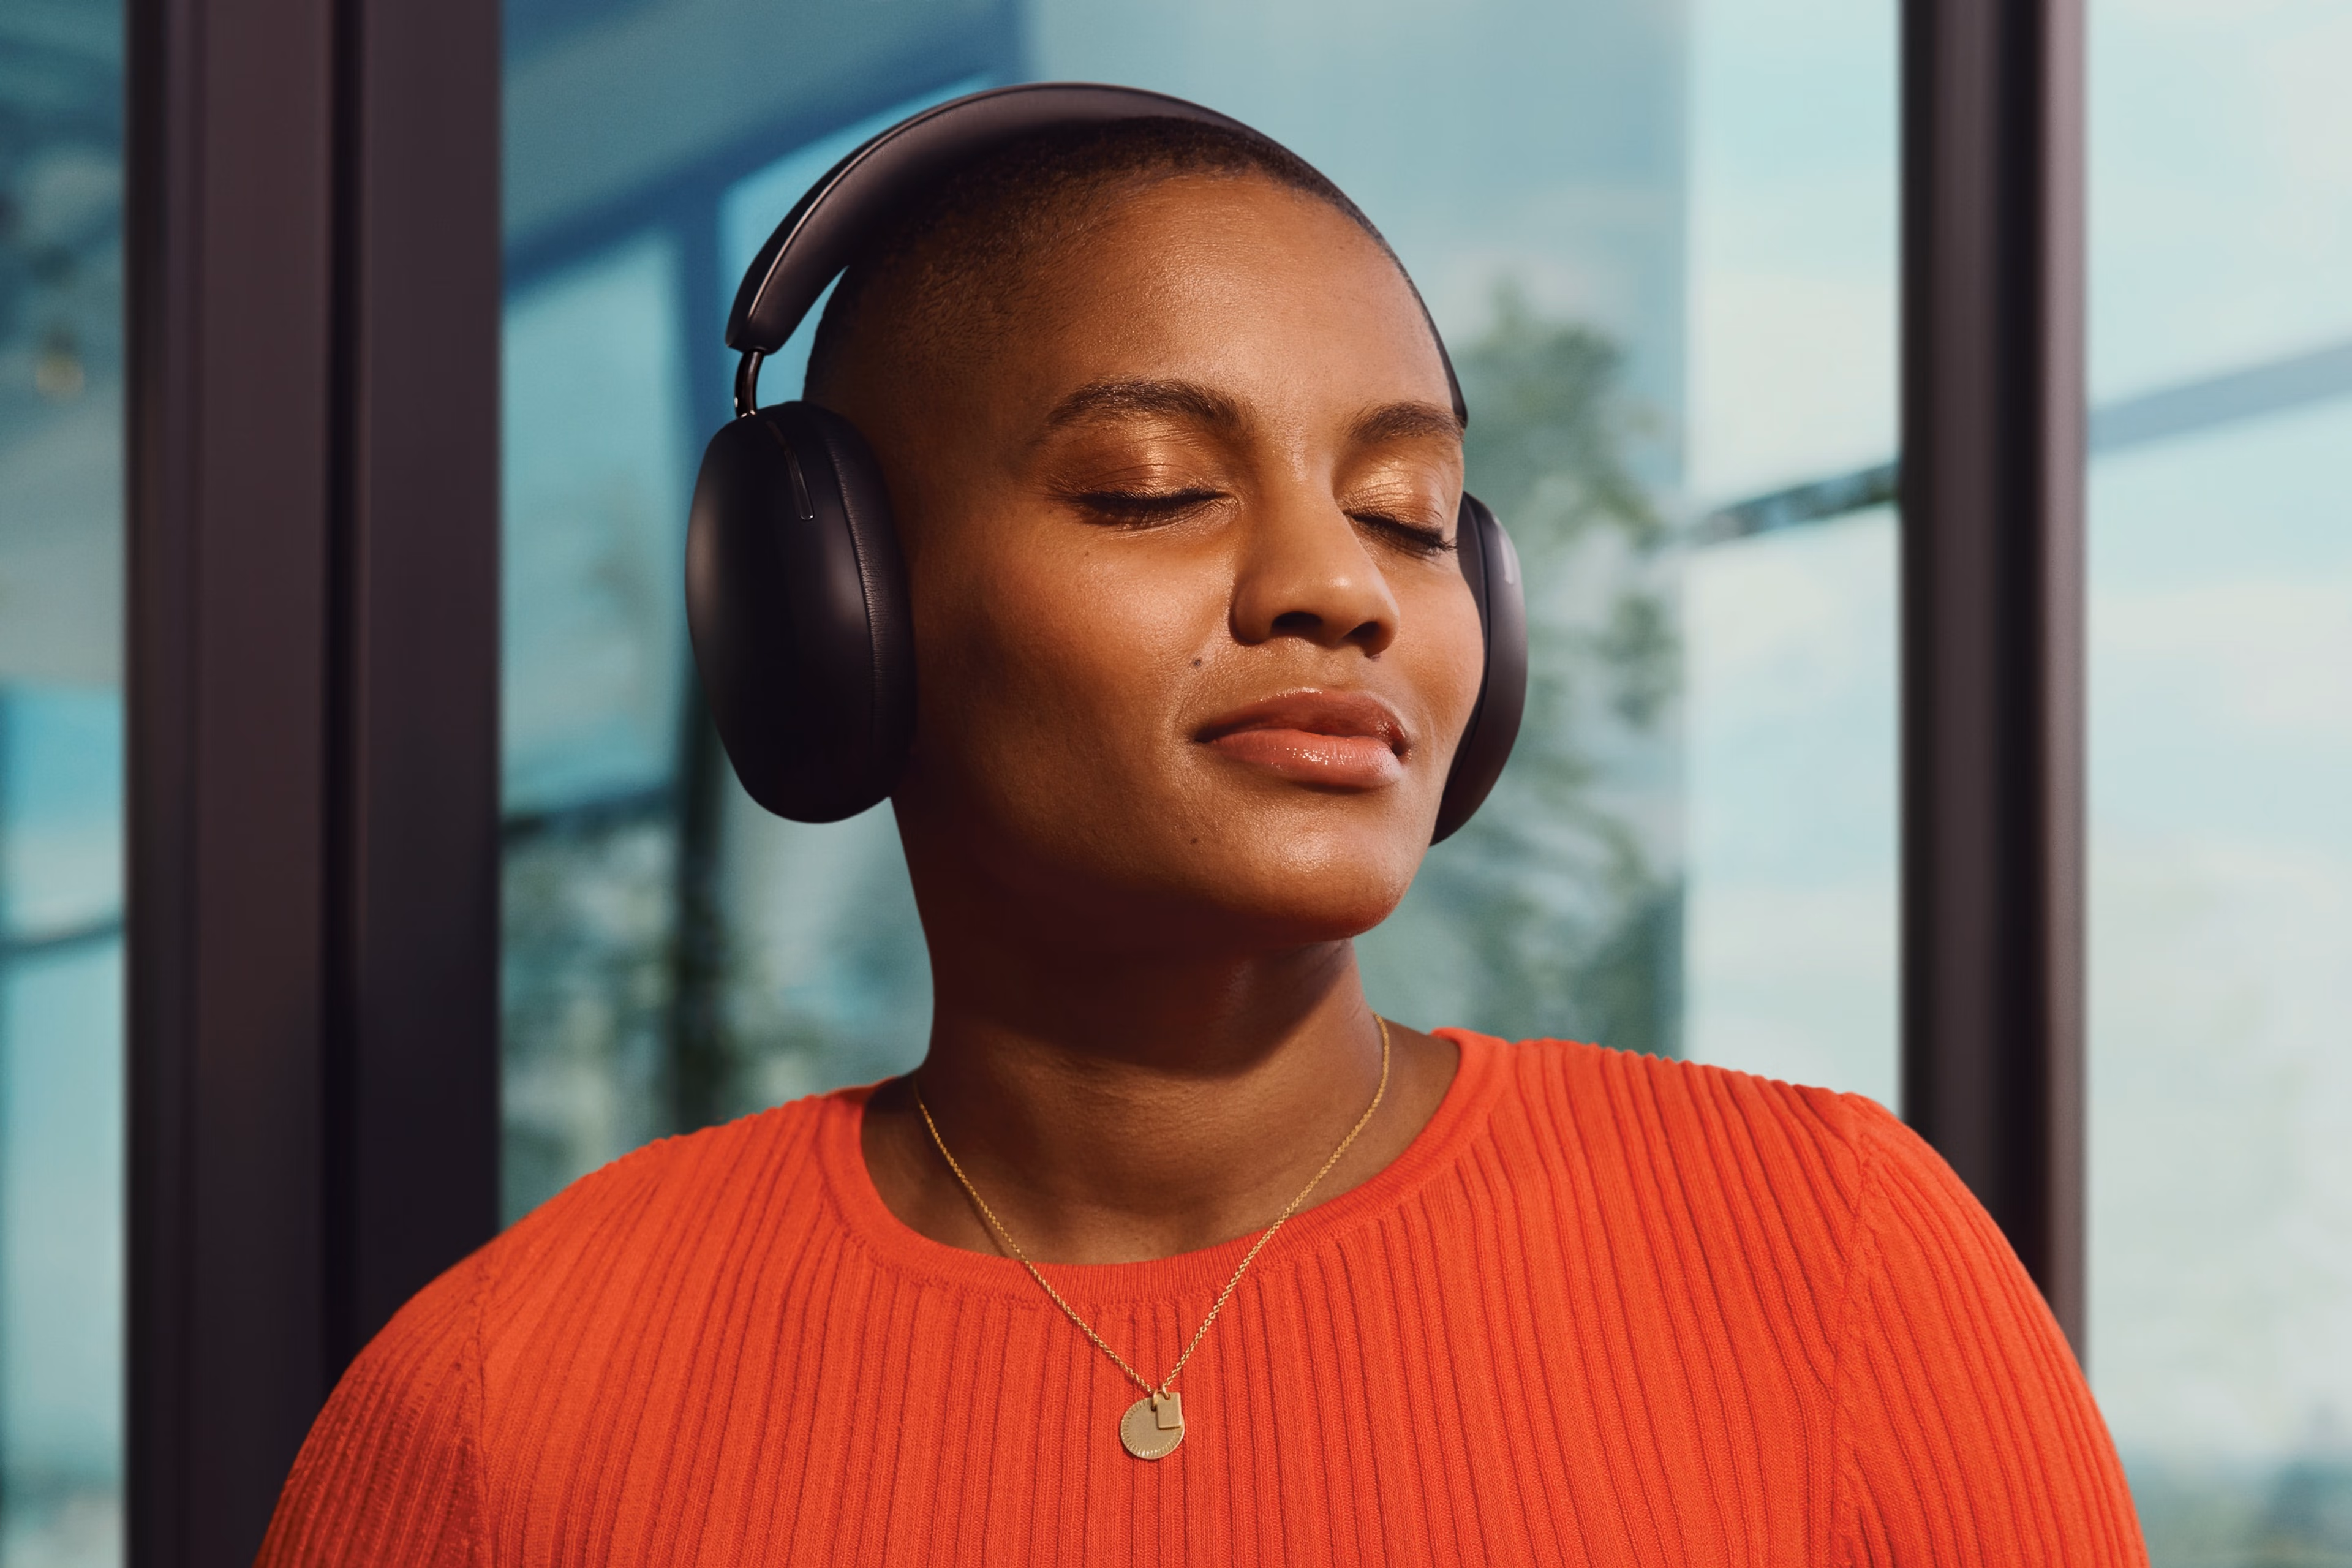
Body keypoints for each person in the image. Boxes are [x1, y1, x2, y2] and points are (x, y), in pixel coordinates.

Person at [257, 111, 2146, 1566]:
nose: (1343, 586)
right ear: (835, 607)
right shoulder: (498, 1401)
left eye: (1410, 512)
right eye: (1154, 489)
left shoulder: (1827, 1251)